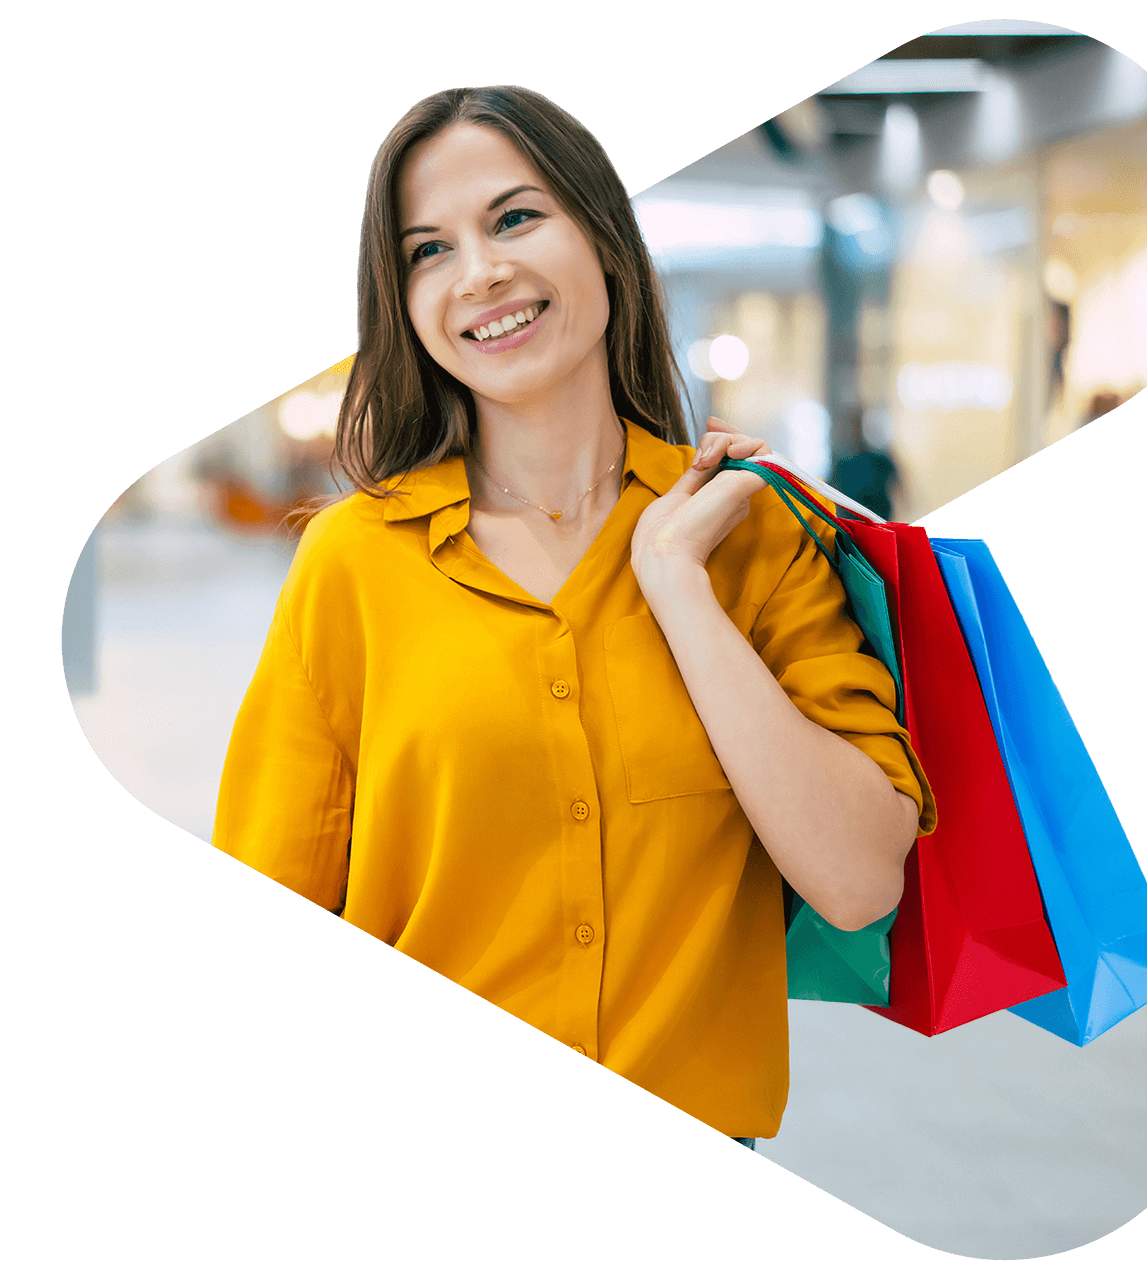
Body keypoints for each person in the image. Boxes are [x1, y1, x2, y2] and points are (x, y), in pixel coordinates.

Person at [212, 86, 937, 1150]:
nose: (479, 272)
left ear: (602, 235)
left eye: (514, 217)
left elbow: (858, 878)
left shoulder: (752, 534)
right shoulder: (353, 563)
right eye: (427, 250)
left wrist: (678, 587)